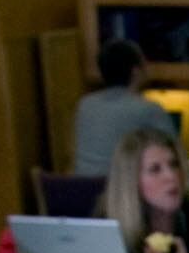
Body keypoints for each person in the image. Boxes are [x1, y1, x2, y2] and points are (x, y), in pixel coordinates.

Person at [71, 39, 176, 181]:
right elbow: (174, 157)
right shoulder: (148, 109)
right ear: (136, 72)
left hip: (82, 197)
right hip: (123, 197)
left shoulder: (85, 104)